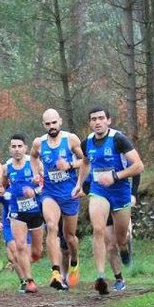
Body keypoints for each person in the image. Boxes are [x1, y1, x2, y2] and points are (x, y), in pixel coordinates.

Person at [72, 106, 144, 295]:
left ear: (108, 120)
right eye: (93, 119)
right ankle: (103, 277)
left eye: (101, 118)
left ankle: (126, 249)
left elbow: (138, 166)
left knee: (120, 240)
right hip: (99, 191)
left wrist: (116, 176)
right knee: (100, 231)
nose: (97, 122)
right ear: (90, 123)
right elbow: (86, 163)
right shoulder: (86, 142)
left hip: (120, 193)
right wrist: (79, 184)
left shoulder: (118, 139)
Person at [31, 108, 86, 290]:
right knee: (52, 226)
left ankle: (75, 262)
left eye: (54, 123)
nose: (51, 126)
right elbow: (32, 157)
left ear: (60, 122)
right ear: (43, 125)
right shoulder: (39, 143)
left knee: (70, 237)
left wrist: (69, 164)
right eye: (48, 124)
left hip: (69, 194)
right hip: (50, 193)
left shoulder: (70, 139)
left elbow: (86, 161)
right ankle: (55, 272)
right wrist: (36, 174)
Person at [0, 133, 44, 293]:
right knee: (20, 246)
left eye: (19, 146)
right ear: (9, 149)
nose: (17, 149)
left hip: (35, 210)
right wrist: (1, 190)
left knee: (37, 252)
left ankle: (30, 264)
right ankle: (29, 281)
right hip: (17, 212)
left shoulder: (34, 163)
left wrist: (35, 190)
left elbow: (45, 185)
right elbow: (2, 186)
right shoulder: (6, 167)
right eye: (13, 146)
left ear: (25, 148)